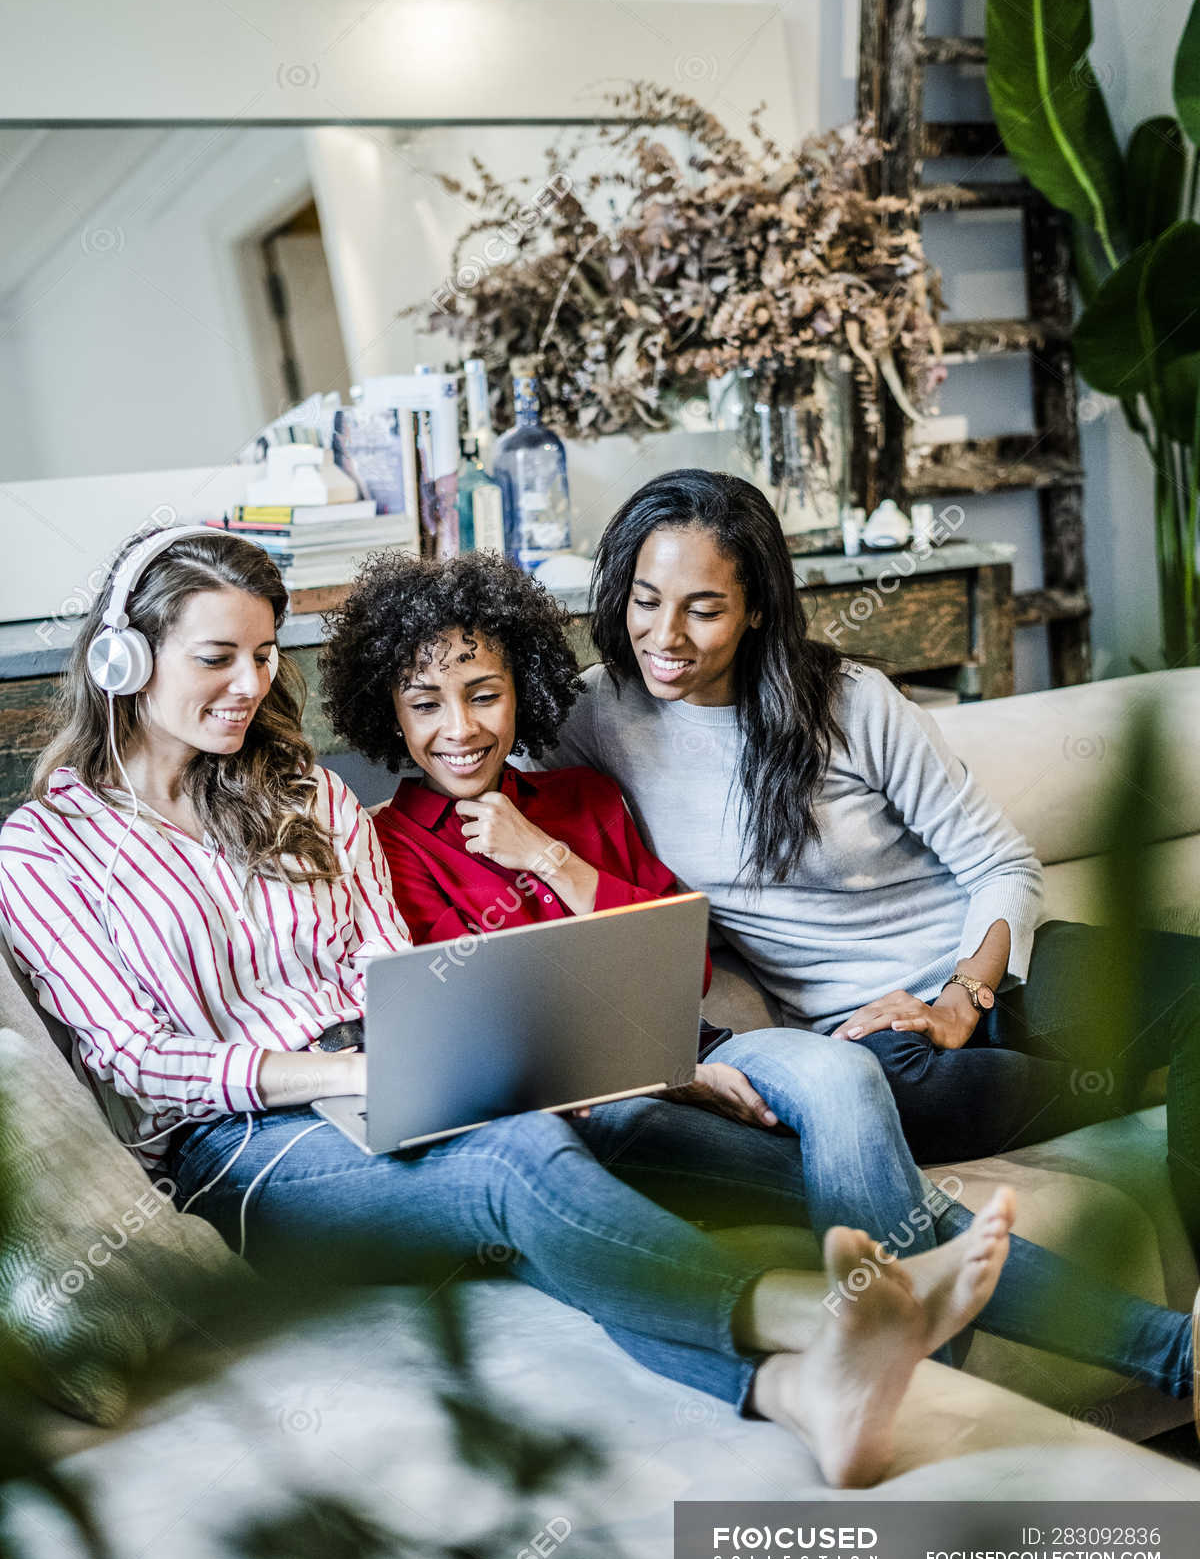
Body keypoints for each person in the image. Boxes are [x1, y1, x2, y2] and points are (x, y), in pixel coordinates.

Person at [0, 524, 1019, 1491]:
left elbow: (396, 966)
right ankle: (813, 1317)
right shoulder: (44, 850)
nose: (250, 686)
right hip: (245, 1150)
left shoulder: (305, 794)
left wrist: (569, 1055)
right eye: (217, 657)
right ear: (124, 661)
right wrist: (350, 1073)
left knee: (752, 1160)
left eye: (265, 656)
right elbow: (138, 1059)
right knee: (519, 1159)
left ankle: (833, 1375)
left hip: (403, 1072)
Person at [320, 548, 1198, 1423]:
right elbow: (478, 1017)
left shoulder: (583, 798)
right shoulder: (389, 848)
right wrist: (666, 1066)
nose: (461, 728)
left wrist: (546, 857)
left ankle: (928, 1368)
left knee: (846, 1074)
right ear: (389, 717)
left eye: (484, 693)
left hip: (710, 1044)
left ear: (522, 693)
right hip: (601, 1096)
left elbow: (685, 955)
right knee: (905, 1210)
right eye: (425, 703)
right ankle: (1140, 1360)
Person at [535, 469, 1200, 1247]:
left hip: (1003, 982)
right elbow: (474, 754)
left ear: (755, 610)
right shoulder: (596, 714)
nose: (665, 636)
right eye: (646, 601)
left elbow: (1002, 865)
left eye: (704, 609)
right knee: (877, 1097)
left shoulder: (852, 703)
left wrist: (960, 1001)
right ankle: (1116, 1081)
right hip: (875, 1039)